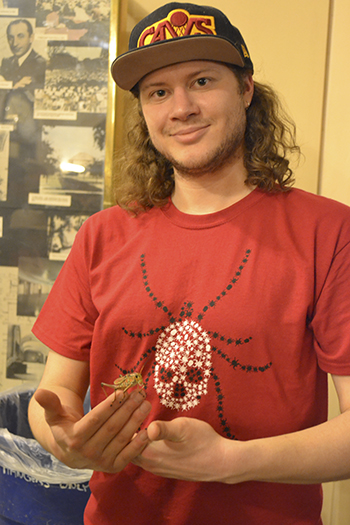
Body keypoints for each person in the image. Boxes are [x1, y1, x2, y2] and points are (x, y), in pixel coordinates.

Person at [28, 3, 350, 524]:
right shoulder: (101, 235)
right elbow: (57, 394)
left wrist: (232, 462)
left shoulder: (330, 233)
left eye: (201, 80)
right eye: (158, 91)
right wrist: (66, 442)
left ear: (246, 90)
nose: (181, 107)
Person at [0, 19, 46, 94]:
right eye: (11, 37)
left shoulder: (41, 63)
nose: (15, 43)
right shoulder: (6, 62)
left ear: (31, 38)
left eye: (20, 36)